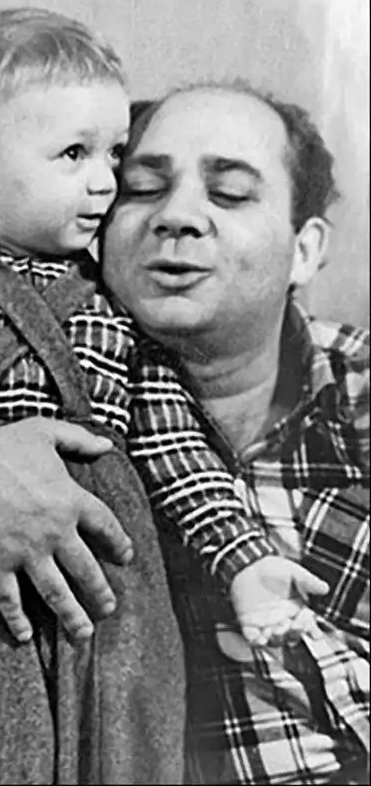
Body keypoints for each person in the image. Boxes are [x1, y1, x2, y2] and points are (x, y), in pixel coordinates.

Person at [0, 7, 324, 783]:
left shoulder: (117, 307)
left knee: (127, 755)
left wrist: (244, 560)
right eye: (75, 154)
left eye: (114, 155)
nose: (106, 181)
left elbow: (176, 448)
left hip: (116, 606)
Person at [101, 82, 369, 785]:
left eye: (230, 194)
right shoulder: (49, 411)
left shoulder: (359, 390)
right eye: (142, 188)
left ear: (305, 250)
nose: (177, 216)